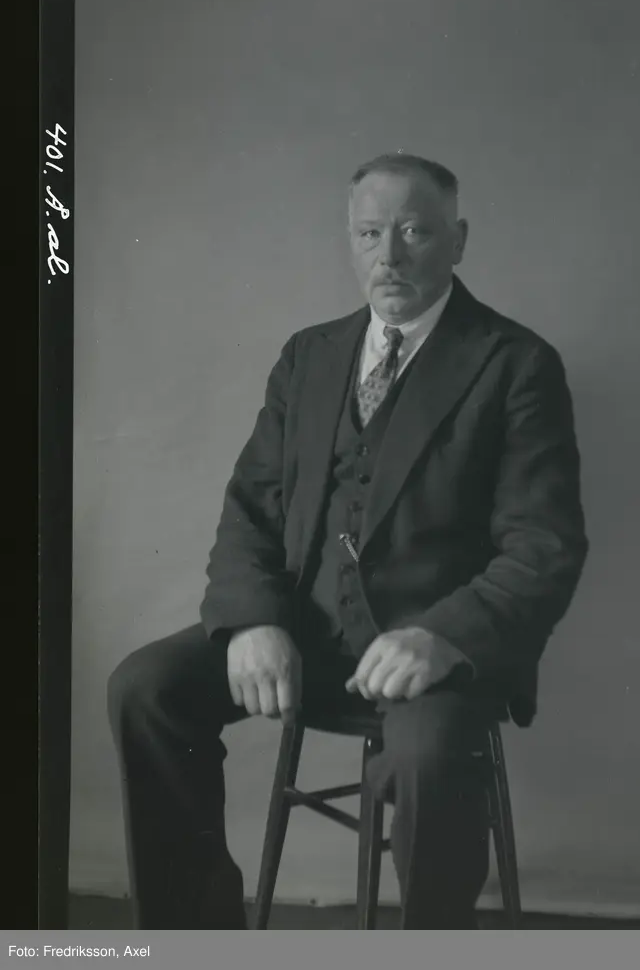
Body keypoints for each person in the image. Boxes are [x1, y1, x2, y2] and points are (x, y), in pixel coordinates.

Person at [108, 152, 589, 930]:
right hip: (307, 633)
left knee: (428, 757)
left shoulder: (515, 364)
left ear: (459, 240)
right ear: (350, 240)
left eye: (414, 232)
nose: (388, 255)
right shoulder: (309, 356)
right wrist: (251, 621)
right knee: (145, 689)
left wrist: (443, 637)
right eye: (370, 234)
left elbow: (543, 547)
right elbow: (249, 510)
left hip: (432, 660)